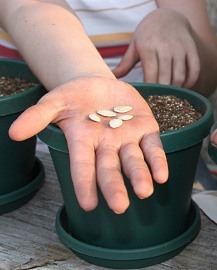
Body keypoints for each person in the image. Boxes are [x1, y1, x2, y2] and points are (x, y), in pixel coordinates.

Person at [0, 0, 217, 214]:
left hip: (159, 141)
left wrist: (177, 27)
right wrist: (87, 76)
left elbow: (209, 76)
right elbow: (31, 6)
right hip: (43, 152)